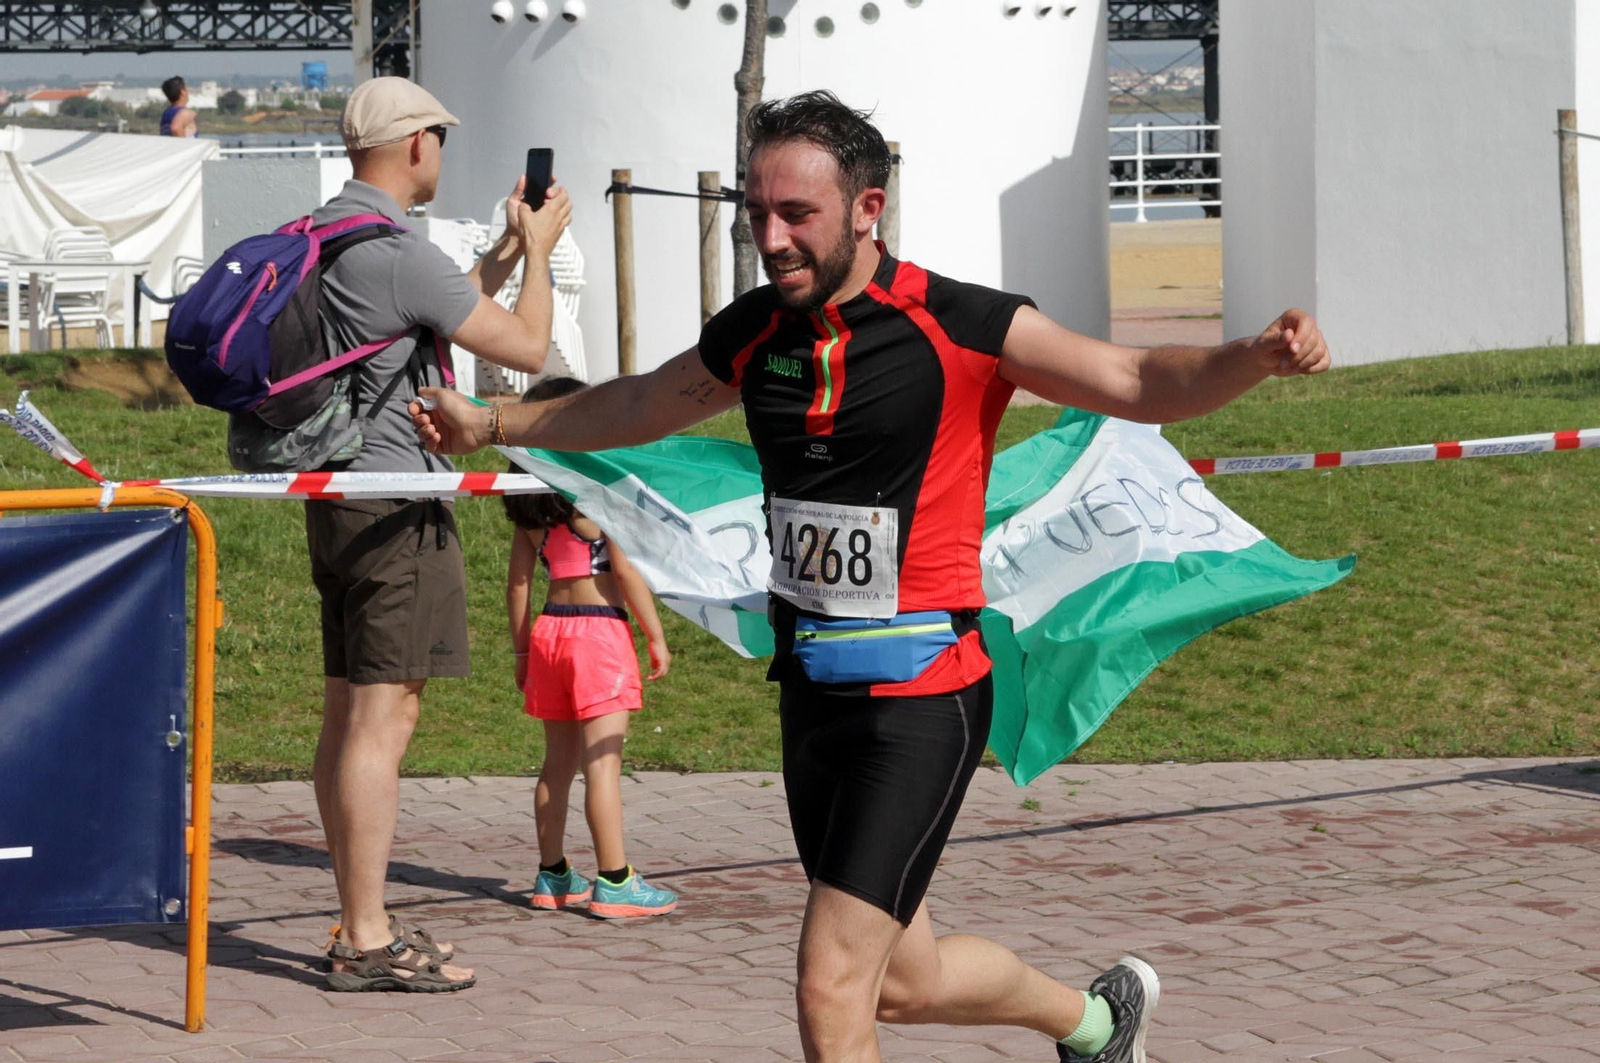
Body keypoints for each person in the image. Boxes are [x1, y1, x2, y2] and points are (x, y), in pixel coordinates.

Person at [413, 91, 1330, 1058]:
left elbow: (1141, 381)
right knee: (903, 980)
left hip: (922, 695)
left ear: (867, 207)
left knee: (830, 983)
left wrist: (1255, 355)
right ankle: (1097, 1024)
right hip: (812, 693)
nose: (771, 239)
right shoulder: (756, 331)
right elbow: (641, 403)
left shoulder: (966, 323)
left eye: (796, 215)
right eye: (756, 213)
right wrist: (500, 423)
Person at [314, 76, 574, 994]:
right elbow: (530, 352)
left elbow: (425, 311)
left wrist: (503, 251)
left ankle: (359, 915)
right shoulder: (398, 248)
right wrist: (541, 252)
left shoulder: (330, 236)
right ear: (418, 142)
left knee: (348, 709)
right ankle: (365, 935)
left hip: (339, 496)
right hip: (400, 511)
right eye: (441, 139)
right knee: (387, 718)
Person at [502, 377, 678, 918]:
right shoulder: (597, 497)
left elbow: (518, 583)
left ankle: (552, 875)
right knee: (603, 765)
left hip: (549, 633)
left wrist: (522, 652)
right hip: (599, 633)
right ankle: (616, 881)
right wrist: (655, 635)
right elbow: (624, 571)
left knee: (556, 765)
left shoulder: (531, 506)